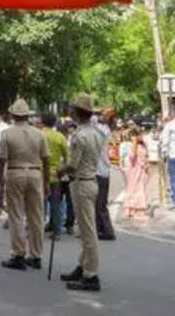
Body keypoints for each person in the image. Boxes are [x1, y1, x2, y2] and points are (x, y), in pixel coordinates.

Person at [0, 98, 47, 271]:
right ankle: (36, 255)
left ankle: (18, 254)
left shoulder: (7, 133)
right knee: (36, 216)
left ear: (13, 115)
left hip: (15, 171)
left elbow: (2, 160)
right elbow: (46, 159)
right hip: (35, 172)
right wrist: (46, 181)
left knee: (16, 214)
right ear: (27, 115)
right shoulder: (39, 134)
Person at [59, 94, 103, 292]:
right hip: (90, 181)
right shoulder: (96, 133)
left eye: (73, 109)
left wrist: (60, 169)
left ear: (78, 112)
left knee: (87, 232)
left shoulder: (80, 136)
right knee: (86, 230)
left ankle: (91, 275)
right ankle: (83, 266)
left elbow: (72, 165)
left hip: (82, 183)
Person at [39, 110, 69, 234]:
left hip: (39, 175)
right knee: (55, 204)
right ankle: (56, 230)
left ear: (42, 122)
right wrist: (62, 169)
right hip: (55, 175)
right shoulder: (59, 137)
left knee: (40, 204)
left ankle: (38, 229)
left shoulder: (38, 135)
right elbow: (68, 157)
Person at [94, 107, 117, 240]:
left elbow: (91, 120)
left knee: (100, 204)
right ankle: (100, 229)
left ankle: (107, 230)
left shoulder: (103, 130)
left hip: (100, 170)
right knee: (99, 203)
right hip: (102, 171)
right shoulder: (104, 129)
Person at [121, 129, 150, 223]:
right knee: (134, 189)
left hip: (142, 170)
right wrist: (134, 142)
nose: (142, 136)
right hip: (134, 170)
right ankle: (133, 209)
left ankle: (135, 209)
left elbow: (146, 156)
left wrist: (146, 164)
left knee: (140, 189)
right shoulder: (133, 145)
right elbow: (132, 156)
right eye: (140, 135)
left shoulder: (143, 145)